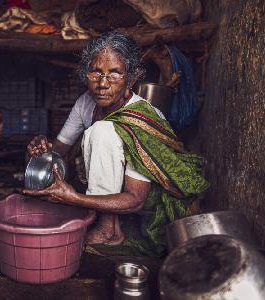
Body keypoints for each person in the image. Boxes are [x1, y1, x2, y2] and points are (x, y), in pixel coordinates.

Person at [23, 32, 209, 256]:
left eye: (114, 74)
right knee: (97, 131)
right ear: (86, 74)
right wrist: (40, 150)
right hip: (114, 194)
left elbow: (135, 200)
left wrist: (74, 198)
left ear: (130, 80)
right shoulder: (85, 103)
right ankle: (106, 224)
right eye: (96, 72)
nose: (102, 83)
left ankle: (108, 230)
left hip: (152, 198)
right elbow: (59, 151)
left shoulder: (143, 116)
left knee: (101, 131)